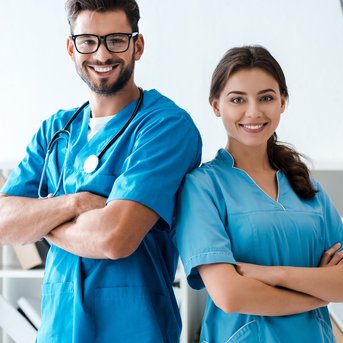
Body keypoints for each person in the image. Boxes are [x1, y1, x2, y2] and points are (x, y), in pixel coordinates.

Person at [0, 1, 202, 342]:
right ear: (71, 47)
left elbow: (114, 239)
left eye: (116, 40)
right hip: (57, 331)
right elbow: (5, 224)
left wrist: (41, 224)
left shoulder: (165, 126)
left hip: (135, 330)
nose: (102, 54)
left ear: (138, 45)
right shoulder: (55, 130)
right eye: (88, 41)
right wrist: (75, 204)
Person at [175, 45, 343, 342]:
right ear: (216, 106)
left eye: (266, 97)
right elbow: (230, 295)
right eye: (237, 99)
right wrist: (317, 293)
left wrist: (274, 275)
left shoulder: (307, 188)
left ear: (282, 101)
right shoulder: (202, 187)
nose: (253, 112)